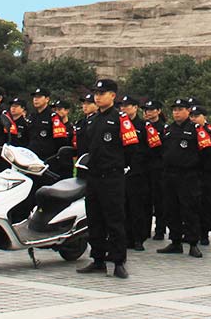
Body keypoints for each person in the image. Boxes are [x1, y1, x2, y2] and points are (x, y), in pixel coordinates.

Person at [76, 79, 139, 278]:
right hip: (93, 178)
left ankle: (118, 261)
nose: (98, 96)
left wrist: (120, 166)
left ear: (113, 95)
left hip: (112, 178)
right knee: (95, 220)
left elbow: (131, 148)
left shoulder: (120, 119)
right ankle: (97, 260)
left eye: (102, 93)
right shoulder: (91, 119)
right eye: (96, 93)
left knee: (115, 220)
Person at [157, 98, 210, 258]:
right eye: (174, 110)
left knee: (190, 209)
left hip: (189, 176)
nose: (176, 112)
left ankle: (193, 243)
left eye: (180, 109)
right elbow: (161, 151)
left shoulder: (196, 129)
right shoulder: (168, 129)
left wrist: (198, 171)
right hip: (170, 175)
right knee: (171, 209)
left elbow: (206, 153)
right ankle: (175, 241)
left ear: (188, 111)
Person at [118, 95, 155, 251]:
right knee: (123, 206)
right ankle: (125, 237)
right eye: (122, 106)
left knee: (137, 207)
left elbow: (155, 148)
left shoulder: (144, 125)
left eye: (127, 106)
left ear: (135, 108)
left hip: (139, 172)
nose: (124, 109)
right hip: (121, 170)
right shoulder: (118, 124)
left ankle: (138, 239)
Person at [189, 105, 211, 245]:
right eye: (192, 116)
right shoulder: (188, 130)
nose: (193, 119)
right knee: (190, 204)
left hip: (205, 173)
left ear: (204, 117)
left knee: (205, 203)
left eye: (196, 116)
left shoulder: (210, 132)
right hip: (191, 172)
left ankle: (204, 233)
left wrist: (208, 167)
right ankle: (190, 232)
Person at [142, 99, 168, 240]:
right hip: (144, 167)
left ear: (158, 111)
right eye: (146, 110)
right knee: (145, 200)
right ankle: (145, 229)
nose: (148, 112)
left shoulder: (164, 128)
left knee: (159, 200)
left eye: (151, 110)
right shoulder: (141, 126)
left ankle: (160, 229)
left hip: (158, 168)